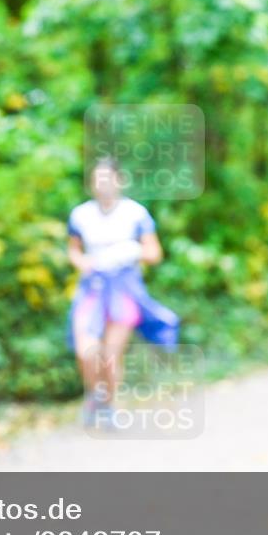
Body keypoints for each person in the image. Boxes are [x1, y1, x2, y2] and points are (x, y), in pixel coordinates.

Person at [67, 158, 179, 429]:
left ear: (119, 180)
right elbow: (73, 250)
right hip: (92, 288)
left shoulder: (135, 214)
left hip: (124, 289)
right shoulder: (81, 215)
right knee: (85, 350)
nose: (102, 184)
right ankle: (95, 395)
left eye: (107, 178)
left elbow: (154, 252)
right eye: (97, 179)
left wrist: (130, 251)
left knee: (111, 354)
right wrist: (84, 263)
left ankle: (109, 406)